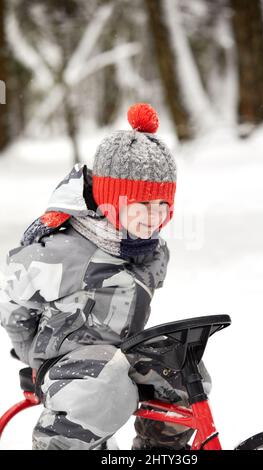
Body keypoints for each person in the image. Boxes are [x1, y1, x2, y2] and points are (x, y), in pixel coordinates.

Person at [0, 103, 211, 450]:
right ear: (112, 201)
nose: (154, 217)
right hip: (64, 362)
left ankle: (159, 451)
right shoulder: (63, 251)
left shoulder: (151, 251)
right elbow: (11, 298)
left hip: (120, 351)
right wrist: (30, 353)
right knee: (106, 379)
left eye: (163, 207)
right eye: (142, 205)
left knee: (185, 373)